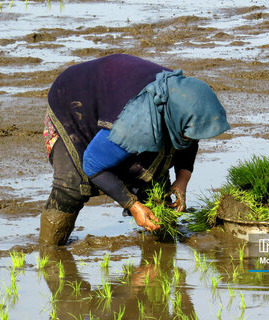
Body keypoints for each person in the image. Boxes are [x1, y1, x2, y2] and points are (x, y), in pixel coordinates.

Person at [40, 54, 230, 246]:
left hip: (116, 90)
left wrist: (182, 180)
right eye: (188, 132)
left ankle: (160, 252)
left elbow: (189, 137)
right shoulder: (134, 124)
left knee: (156, 186)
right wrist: (133, 205)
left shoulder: (182, 100)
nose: (191, 136)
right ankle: (50, 250)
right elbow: (93, 165)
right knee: (71, 185)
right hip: (73, 102)